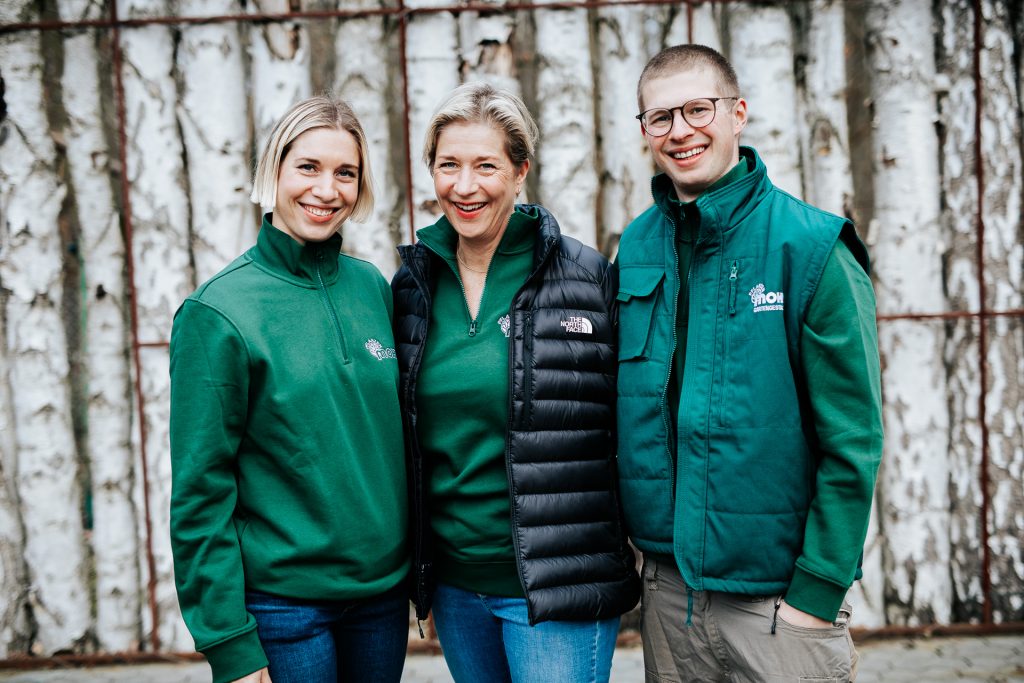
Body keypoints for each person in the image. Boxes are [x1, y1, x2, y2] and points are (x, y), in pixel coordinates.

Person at [615, 44, 883, 682]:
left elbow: (853, 438)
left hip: (776, 605)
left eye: (698, 110)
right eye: (660, 118)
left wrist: (812, 602)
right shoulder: (637, 244)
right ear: (645, 130)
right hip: (668, 596)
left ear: (737, 113)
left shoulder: (812, 248)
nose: (680, 132)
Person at [392, 82, 640, 683]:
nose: (465, 185)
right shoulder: (412, 287)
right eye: (448, 165)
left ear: (520, 171)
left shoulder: (585, 277)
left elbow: (630, 421)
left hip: (558, 586)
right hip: (456, 586)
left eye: (486, 165)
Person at [169, 96, 409, 683]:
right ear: (272, 171)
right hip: (284, 608)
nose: (326, 190)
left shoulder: (372, 287)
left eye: (345, 173)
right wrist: (229, 641)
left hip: (380, 603)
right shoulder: (218, 312)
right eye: (308, 167)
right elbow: (200, 491)